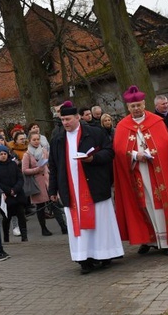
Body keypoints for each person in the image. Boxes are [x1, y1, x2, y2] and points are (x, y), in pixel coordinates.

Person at [113, 86, 168, 256]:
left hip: (157, 173)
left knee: (160, 205)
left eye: (139, 105)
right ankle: (149, 240)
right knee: (143, 205)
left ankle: (167, 241)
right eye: (132, 106)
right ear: (128, 107)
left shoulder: (156, 122)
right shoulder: (122, 126)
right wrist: (134, 155)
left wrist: (151, 153)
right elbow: (119, 150)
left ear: (144, 104)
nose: (136, 109)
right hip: (137, 173)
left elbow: (165, 146)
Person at [48, 101, 124, 274]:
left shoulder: (94, 133)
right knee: (79, 226)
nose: (65, 123)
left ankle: (104, 254)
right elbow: (54, 166)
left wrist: (93, 159)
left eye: (68, 119)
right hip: (71, 189)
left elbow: (109, 152)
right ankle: (84, 258)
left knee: (100, 223)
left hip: (94, 186)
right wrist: (52, 190)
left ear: (77, 117)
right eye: (63, 120)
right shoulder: (58, 139)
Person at [23, 132, 67, 236]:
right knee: (40, 207)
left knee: (54, 203)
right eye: (34, 140)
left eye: (38, 139)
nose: (36, 141)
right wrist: (37, 169)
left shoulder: (44, 151)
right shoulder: (27, 155)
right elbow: (24, 170)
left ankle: (63, 226)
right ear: (29, 141)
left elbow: (49, 163)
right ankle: (44, 228)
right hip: (37, 183)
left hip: (47, 181)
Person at [0, 144, 27, 242]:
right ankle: (6, 238)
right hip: (5, 197)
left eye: (5, 153)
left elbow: (20, 178)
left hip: (17, 194)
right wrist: (8, 190)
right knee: (7, 218)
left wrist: (15, 189)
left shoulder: (13, 164)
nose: (3, 155)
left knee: (21, 215)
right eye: (1, 154)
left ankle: (24, 236)